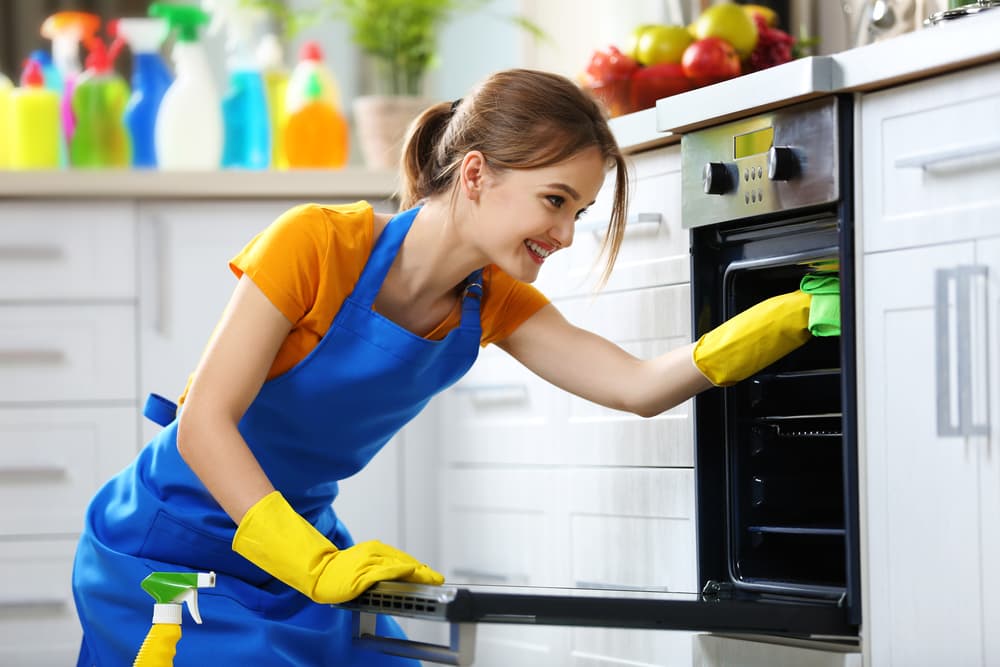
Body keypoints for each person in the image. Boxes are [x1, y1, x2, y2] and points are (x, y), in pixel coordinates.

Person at [72, 68, 834, 666]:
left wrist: (791, 314)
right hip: (168, 554)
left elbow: (633, 386)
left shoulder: (490, 301)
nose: (565, 233)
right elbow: (205, 423)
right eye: (555, 200)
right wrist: (307, 561)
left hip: (295, 557)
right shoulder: (315, 244)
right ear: (475, 175)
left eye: (579, 213)